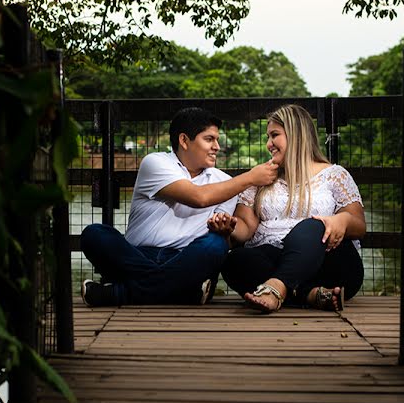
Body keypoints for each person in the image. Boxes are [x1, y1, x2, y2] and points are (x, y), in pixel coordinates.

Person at [80, 107, 279, 307]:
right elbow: (198, 197)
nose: (217, 146)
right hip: (137, 255)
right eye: (209, 139)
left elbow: (228, 232)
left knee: (215, 244)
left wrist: (224, 230)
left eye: (217, 140)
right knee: (94, 234)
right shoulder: (156, 163)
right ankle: (184, 292)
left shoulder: (225, 182)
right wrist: (250, 177)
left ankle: (117, 294)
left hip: (187, 259)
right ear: (184, 140)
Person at [209, 104, 365, 313]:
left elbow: (359, 225)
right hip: (273, 257)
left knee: (313, 226)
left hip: (328, 262)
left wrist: (342, 220)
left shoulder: (335, 175)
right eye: (268, 137)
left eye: (274, 135)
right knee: (235, 261)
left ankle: (277, 286)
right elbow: (246, 228)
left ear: (296, 134)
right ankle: (309, 295)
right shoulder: (260, 177)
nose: (268, 144)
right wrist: (229, 228)